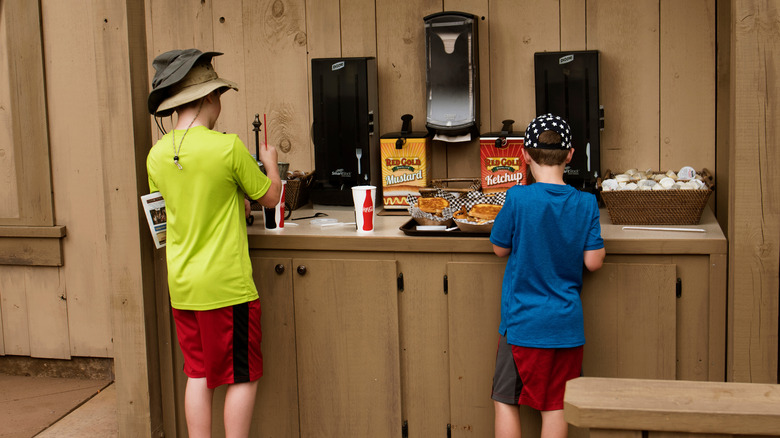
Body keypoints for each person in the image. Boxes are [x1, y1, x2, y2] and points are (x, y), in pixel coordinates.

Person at [146, 48, 282, 438]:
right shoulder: (228, 148)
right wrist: (269, 163)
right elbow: (269, 197)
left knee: (199, 373)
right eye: (219, 94)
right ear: (208, 97)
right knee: (242, 376)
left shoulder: (156, 156)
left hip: (183, 287)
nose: (220, 102)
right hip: (227, 287)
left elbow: (170, 213)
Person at [489, 114, 605, 438]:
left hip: (521, 326)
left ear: (525, 154)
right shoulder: (586, 203)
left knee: (505, 401)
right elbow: (593, 262)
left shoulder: (518, 198)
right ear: (570, 155)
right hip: (566, 328)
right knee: (556, 407)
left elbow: (499, 248)